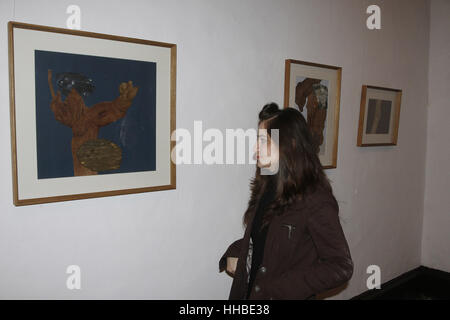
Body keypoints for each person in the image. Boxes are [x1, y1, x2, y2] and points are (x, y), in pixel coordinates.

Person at [219, 102, 354, 300]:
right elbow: (267, 239)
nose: (256, 147)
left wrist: (279, 288)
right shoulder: (267, 186)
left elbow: (340, 266)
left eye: (263, 140)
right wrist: (234, 251)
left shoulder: (315, 199)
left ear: (289, 144)